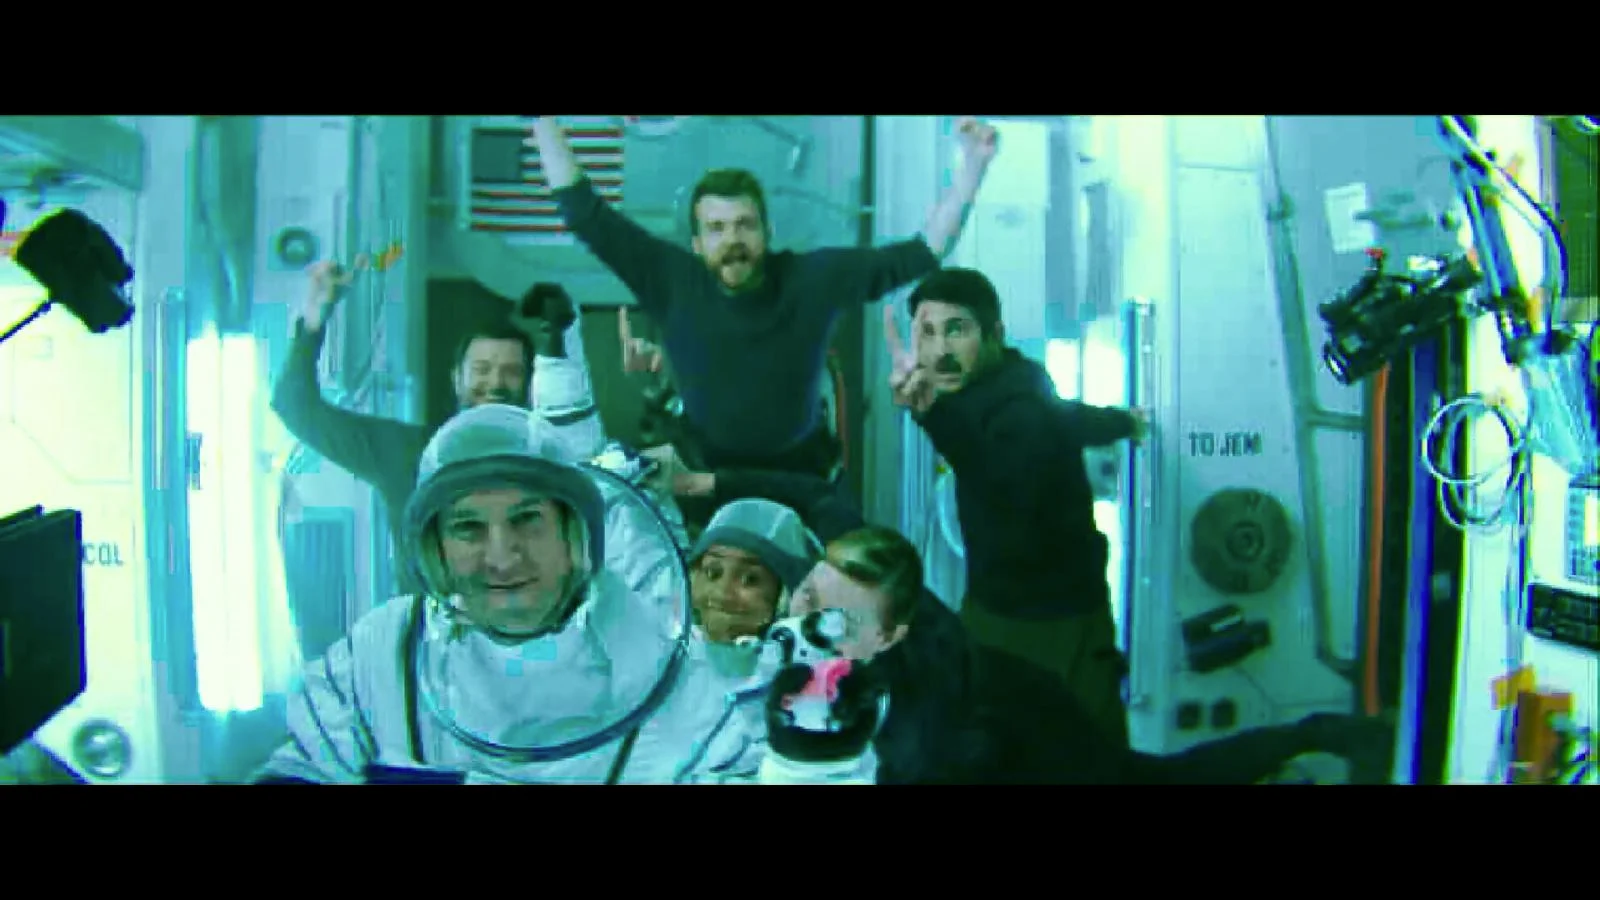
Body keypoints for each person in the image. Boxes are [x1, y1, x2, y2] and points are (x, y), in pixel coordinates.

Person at [526, 115, 998, 481]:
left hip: (802, 475)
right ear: (696, 243)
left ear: (768, 231)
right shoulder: (671, 278)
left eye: (744, 225)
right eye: (717, 228)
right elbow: (584, 214)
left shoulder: (812, 279)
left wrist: (972, 169)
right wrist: (541, 120)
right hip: (701, 472)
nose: (733, 239)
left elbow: (922, 253)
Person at [789, 525, 1396, 785]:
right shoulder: (863, 618)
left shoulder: (924, 713)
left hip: (1040, 739)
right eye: (808, 595)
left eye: (833, 619)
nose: (806, 618)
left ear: (885, 635)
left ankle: (1316, 734)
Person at [886, 266, 1146, 750]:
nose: (940, 350)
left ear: (994, 334)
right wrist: (1123, 422)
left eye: (956, 330)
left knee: (1046, 757)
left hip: (1041, 621)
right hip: (1021, 605)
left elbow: (1004, 484)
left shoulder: (1019, 408)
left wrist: (933, 416)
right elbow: (1070, 418)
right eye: (927, 333)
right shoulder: (1013, 381)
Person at [271, 262, 568, 588]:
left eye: (511, 372)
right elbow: (294, 406)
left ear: (529, 386)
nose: (496, 383)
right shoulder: (404, 452)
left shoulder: (550, 462)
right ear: (457, 379)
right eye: (482, 370)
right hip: (428, 618)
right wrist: (313, 319)